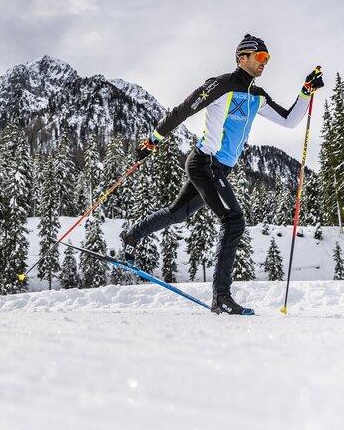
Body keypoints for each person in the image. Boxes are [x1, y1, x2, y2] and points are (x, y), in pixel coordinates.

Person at [120, 34, 323, 315]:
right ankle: (221, 297)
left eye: (268, 58)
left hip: (218, 168)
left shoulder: (258, 96)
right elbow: (181, 112)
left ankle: (132, 236)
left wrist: (306, 91)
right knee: (234, 220)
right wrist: (152, 141)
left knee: (177, 213)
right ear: (243, 58)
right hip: (205, 162)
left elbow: (289, 121)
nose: (265, 63)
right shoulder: (221, 85)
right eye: (260, 57)